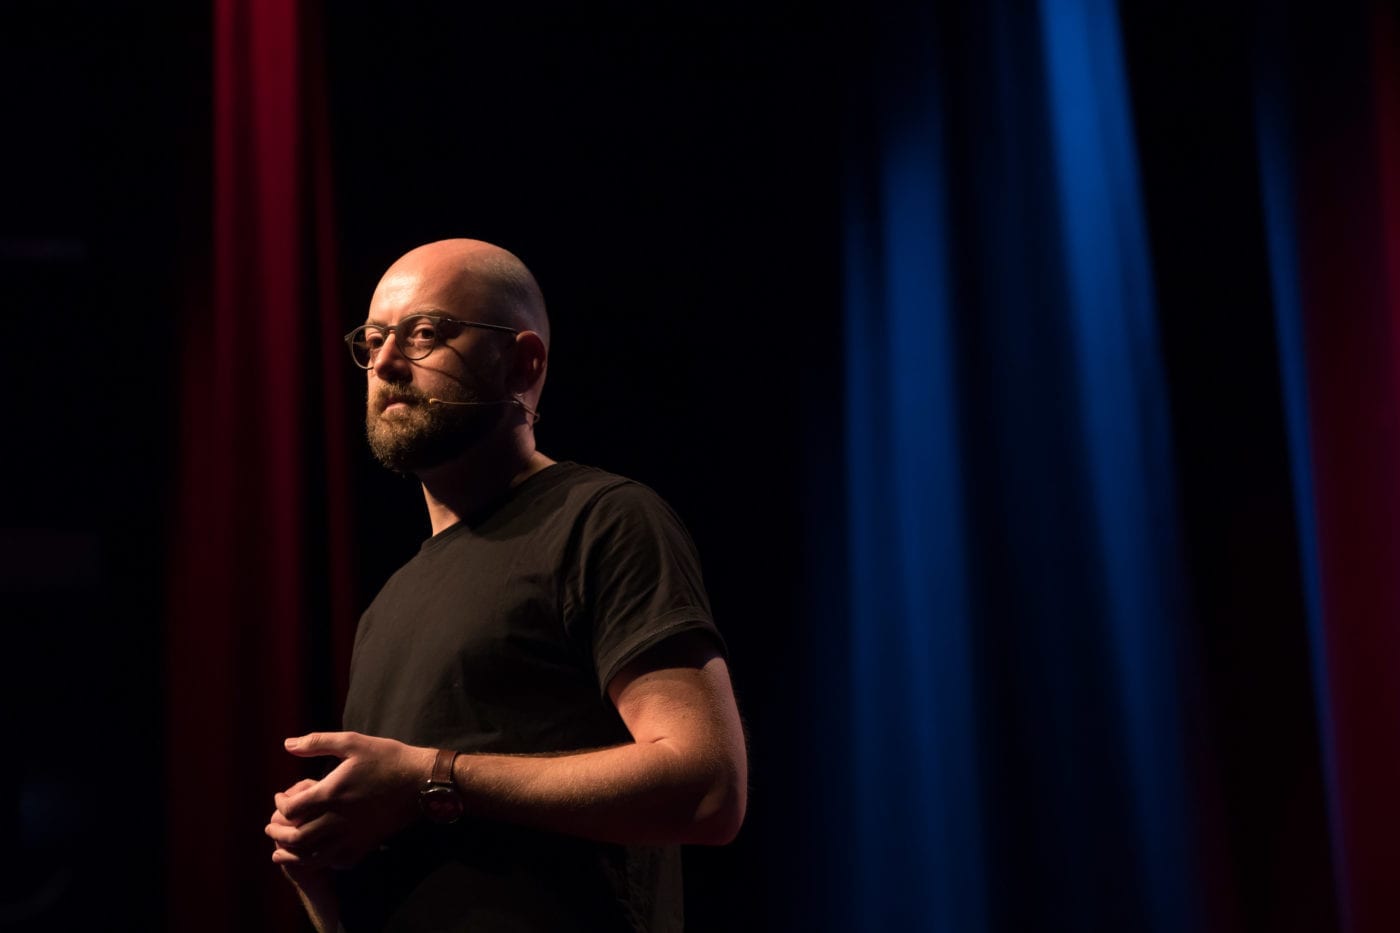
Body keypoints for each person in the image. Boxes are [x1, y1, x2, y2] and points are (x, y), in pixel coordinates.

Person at [264, 239, 747, 932]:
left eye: (425, 334)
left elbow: (708, 788)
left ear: (524, 362)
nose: (387, 364)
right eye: (372, 341)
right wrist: (323, 872)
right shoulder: (386, 607)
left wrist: (431, 778)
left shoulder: (601, 520)